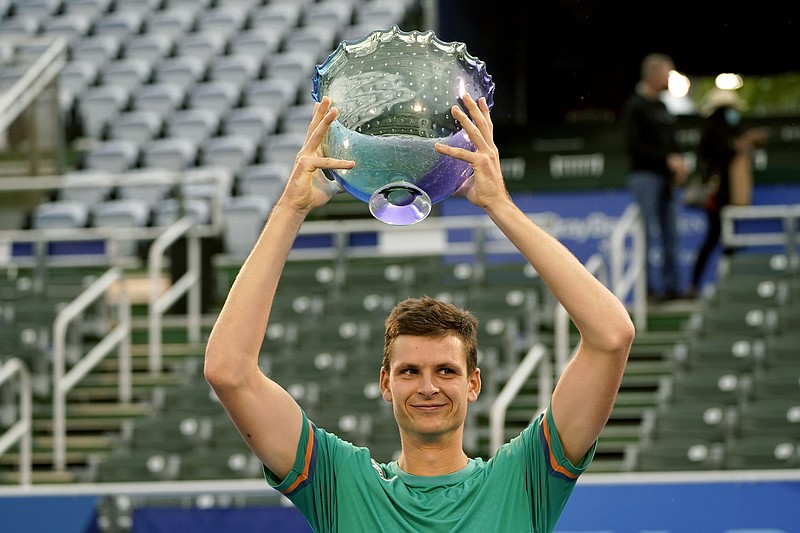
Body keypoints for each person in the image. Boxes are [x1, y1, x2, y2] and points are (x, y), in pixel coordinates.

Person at [205, 93, 635, 532]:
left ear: (473, 383)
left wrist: (499, 205)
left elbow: (611, 336)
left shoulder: (525, 478)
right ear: (385, 383)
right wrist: (289, 209)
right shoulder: (339, 482)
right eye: (410, 371)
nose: (428, 387)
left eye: (446, 371)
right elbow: (228, 371)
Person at [688, 88, 769, 297]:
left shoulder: (728, 131)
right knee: (715, 237)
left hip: (728, 194)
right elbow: (722, 156)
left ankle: (726, 282)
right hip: (718, 195)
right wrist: (743, 144)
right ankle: (699, 284)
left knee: (726, 239)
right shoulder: (714, 132)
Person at [622, 53, 688, 301]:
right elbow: (634, 145)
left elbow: (673, 141)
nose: (669, 79)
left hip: (667, 181)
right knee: (647, 234)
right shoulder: (636, 105)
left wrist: (679, 162)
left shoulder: (662, 106)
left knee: (671, 234)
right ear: (653, 75)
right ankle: (647, 290)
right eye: (666, 73)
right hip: (645, 178)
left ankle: (672, 288)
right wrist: (665, 159)